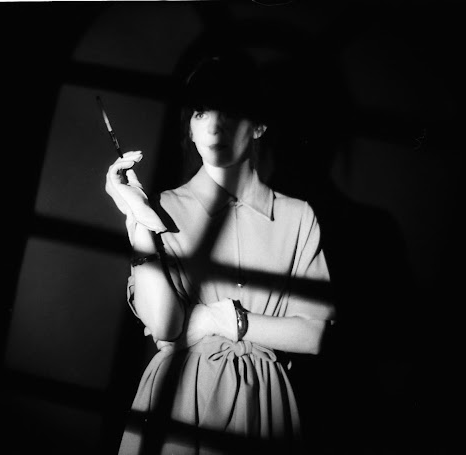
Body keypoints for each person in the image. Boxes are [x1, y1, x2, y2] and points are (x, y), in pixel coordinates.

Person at [105, 52, 335, 454]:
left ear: (259, 124)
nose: (214, 125)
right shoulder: (162, 209)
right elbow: (165, 326)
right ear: (190, 129)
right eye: (200, 113)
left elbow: (313, 334)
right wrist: (139, 219)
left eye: (230, 111)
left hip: (264, 407)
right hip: (178, 401)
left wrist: (222, 319)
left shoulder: (297, 216)